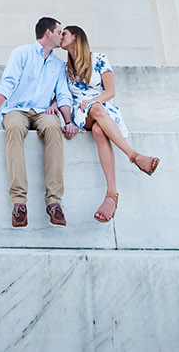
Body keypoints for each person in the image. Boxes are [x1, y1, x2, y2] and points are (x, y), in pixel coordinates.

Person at [0, 16, 79, 227]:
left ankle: (54, 202)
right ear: (48, 33)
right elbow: (8, 83)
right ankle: (19, 202)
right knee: (13, 128)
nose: (62, 36)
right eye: (60, 32)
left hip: (43, 112)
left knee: (53, 128)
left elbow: (63, 94)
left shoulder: (59, 66)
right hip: (17, 109)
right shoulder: (21, 53)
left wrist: (68, 120)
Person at [58, 25, 159, 223]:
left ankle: (111, 195)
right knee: (95, 112)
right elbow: (60, 94)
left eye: (64, 34)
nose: (61, 37)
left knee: (98, 130)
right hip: (81, 112)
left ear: (76, 36)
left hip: (103, 106)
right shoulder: (65, 68)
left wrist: (94, 101)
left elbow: (111, 91)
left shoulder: (100, 59)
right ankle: (135, 157)